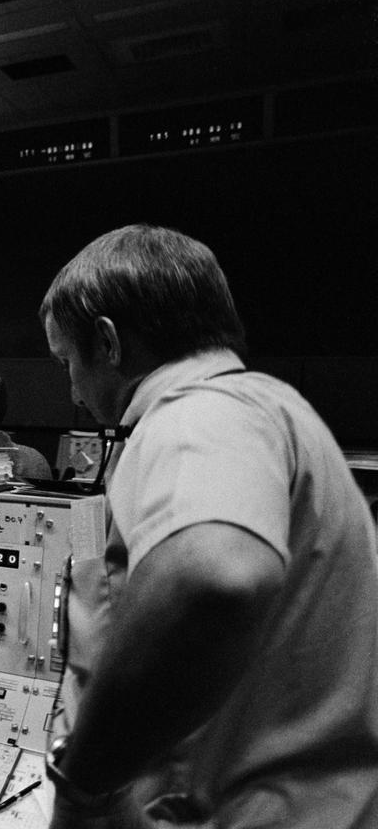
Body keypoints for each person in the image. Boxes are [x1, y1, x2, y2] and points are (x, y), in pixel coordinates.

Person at [40, 224, 378, 828]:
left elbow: (214, 575)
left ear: (109, 343)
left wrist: (84, 785)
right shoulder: (268, 409)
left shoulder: (200, 412)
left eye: (68, 360)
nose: (72, 391)